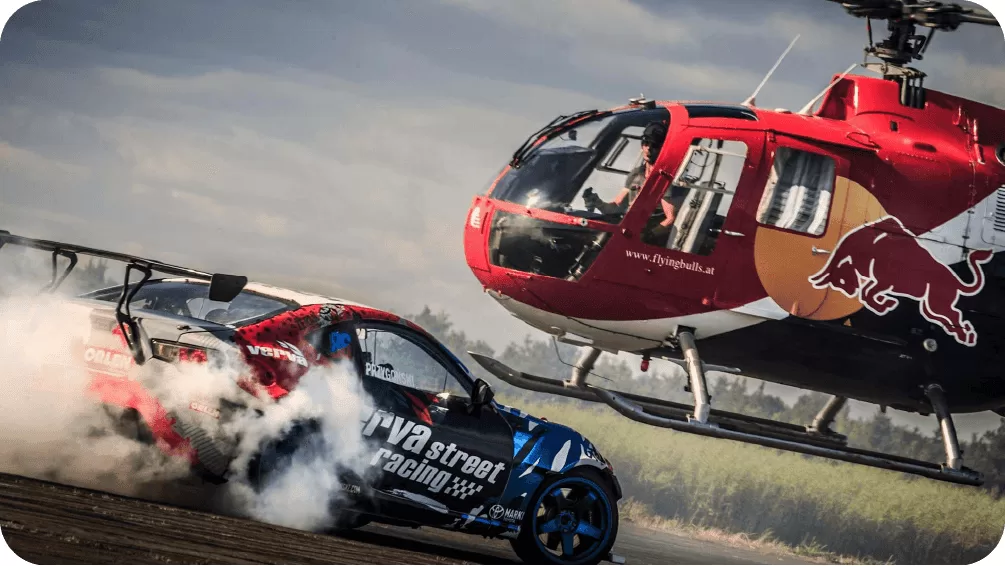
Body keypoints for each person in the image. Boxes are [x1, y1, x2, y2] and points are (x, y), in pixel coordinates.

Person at [583, 121, 668, 216]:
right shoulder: (637, 174)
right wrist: (598, 203)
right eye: (646, 143)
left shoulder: (667, 178)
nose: (648, 148)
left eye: (655, 145)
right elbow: (616, 207)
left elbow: (671, 219)